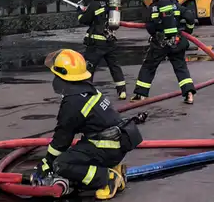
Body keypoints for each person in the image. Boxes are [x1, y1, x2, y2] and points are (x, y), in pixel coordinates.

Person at [30, 49, 140, 199]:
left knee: (62, 165)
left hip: (107, 147)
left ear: (62, 76)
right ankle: (114, 170)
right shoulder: (88, 89)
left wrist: (47, 162)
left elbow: (62, 139)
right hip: (116, 144)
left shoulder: (73, 102)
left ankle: (107, 178)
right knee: (76, 154)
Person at [131, 0, 197, 104]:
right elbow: (189, 16)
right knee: (181, 67)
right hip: (176, 42)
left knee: (149, 66)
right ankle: (189, 94)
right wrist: (188, 30)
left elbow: (150, 26)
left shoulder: (154, 7)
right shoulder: (175, 4)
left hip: (160, 43)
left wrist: (155, 33)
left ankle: (141, 95)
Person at [78, 0, 128, 99]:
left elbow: (84, 20)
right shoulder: (113, 5)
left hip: (96, 44)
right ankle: (122, 91)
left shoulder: (95, 4)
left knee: (89, 67)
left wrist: (79, 12)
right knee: (114, 66)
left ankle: (86, 92)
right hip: (110, 42)